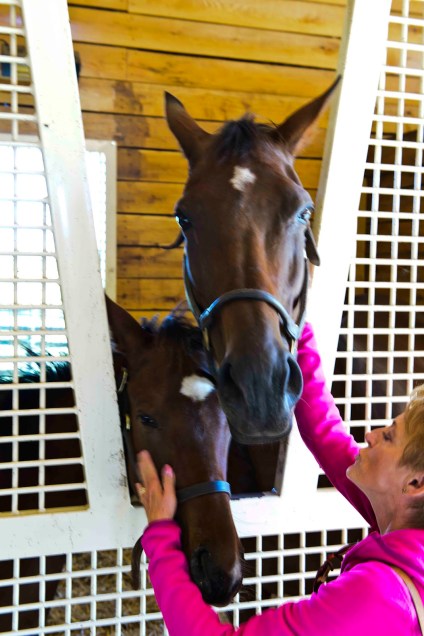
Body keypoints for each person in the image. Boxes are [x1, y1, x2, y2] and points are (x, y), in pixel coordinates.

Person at [135, 322, 424, 635]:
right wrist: (295, 326)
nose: (370, 435)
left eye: (389, 436)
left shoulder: (376, 597)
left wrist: (161, 535)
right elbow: (327, 435)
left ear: (415, 484)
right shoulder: (406, 532)